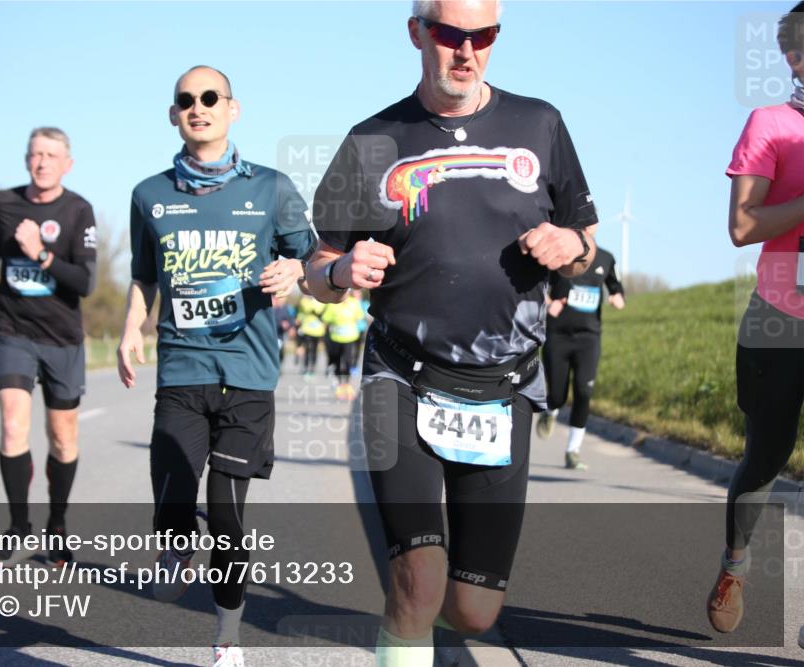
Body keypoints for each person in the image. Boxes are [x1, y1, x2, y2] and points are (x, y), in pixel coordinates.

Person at [305, 1, 598, 664]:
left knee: (473, 608)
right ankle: (408, 628)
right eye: (449, 34)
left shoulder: (540, 124)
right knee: (417, 583)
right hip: (401, 379)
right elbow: (313, 267)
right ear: (416, 32)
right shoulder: (372, 139)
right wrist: (343, 267)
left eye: (484, 36)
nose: (466, 52)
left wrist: (568, 243)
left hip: (506, 386)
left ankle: (432, 631)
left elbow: (585, 239)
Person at [117, 65, 314, 667]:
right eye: (186, 100)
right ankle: (176, 542)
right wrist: (131, 326)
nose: (197, 106)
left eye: (210, 97)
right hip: (182, 370)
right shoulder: (149, 195)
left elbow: (313, 256)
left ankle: (227, 632)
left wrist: (296, 272)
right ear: (174, 115)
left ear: (233, 109)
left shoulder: (273, 188)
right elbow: (145, 276)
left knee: (227, 516)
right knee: (174, 502)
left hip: (249, 374)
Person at [707, 1, 804, 635]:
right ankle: (735, 564)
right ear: (796, 59)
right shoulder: (769, 123)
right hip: (781, 317)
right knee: (767, 457)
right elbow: (743, 225)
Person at [0, 127, 97, 567]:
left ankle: (58, 524)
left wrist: (39, 252)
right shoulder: (3, 202)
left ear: (67, 163)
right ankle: (17, 527)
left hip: (62, 337)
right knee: (13, 425)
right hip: (12, 331)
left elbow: (85, 282)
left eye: (51, 155)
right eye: (35, 154)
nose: (42, 162)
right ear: (26, 159)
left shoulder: (79, 210)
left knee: (63, 438)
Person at [535, 248, 625, 470]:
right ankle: (551, 410)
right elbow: (536, 286)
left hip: (589, 337)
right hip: (558, 335)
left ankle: (573, 451)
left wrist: (618, 296)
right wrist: (547, 303)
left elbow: (615, 285)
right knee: (557, 394)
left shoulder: (606, 258)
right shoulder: (559, 254)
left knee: (584, 392)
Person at [321, 290, 366, 400]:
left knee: (348, 361)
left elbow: (360, 316)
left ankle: (347, 384)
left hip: (350, 337)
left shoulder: (354, 303)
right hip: (335, 337)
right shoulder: (333, 303)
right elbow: (326, 318)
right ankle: (340, 384)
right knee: (337, 360)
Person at [295, 294, 327, 377]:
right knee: (308, 348)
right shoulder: (304, 301)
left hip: (317, 331)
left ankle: (312, 367)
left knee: (314, 350)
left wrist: (314, 303)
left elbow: (319, 311)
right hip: (307, 329)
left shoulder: (322, 301)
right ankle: (305, 367)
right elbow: (304, 310)